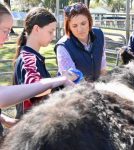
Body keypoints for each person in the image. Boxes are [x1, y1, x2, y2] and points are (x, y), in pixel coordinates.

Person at [0, 3, 74, 137]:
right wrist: (59, 81)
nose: (53, 36)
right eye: (50, 31)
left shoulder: (32, 57)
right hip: (31, 134)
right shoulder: (29, 58)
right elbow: (35, 86)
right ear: (36, 29)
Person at [54, 2, 107, 82]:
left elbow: (103, 67)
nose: (80, 30)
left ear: (89, 21)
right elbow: (71, 81)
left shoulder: (99, 34)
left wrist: (104, 85)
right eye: (74, 26)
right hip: (76, 91)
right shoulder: (63, 47)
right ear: (69, 27)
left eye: (83, 23)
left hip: (98, 88)